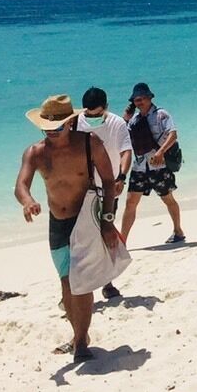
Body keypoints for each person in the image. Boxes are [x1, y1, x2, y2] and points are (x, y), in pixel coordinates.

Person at [14, 94, 121, 362]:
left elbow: (109, 183)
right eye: (46, 128)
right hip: (57, 225)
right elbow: (21, 185)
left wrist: (108, 221)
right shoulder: (36, 153)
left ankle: (81, 344)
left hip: (84, 220)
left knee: (81, 283)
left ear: (71, 124)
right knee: (66, 283)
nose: (52, 133)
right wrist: (28, 202)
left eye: (58, 128)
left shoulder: (90, 144)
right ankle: (78, 336)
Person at [79, 87, 133, 300]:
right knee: (82, 237)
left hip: (109, 189)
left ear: (106, 108)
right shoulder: (75, 123)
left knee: (106, 231)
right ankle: (78, 285)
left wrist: (121, 177)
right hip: (82, 190)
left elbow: (126, 151)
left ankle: (107, 282)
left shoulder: (117, 123)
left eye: (97, 114)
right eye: (89, 114)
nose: (92, 118)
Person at [121, 82, 185, 245]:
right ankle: (123, 241)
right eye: (136, 100)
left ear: (149, 98)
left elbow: (173, 134)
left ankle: (178, 230)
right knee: (130, 203)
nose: (139, 102)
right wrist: (125, 118)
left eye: (141, 99)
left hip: (159, 166)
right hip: (140, 167)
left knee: (167, 199)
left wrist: (160, 152)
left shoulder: (161, 114)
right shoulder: (134, 120)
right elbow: (123, 138)